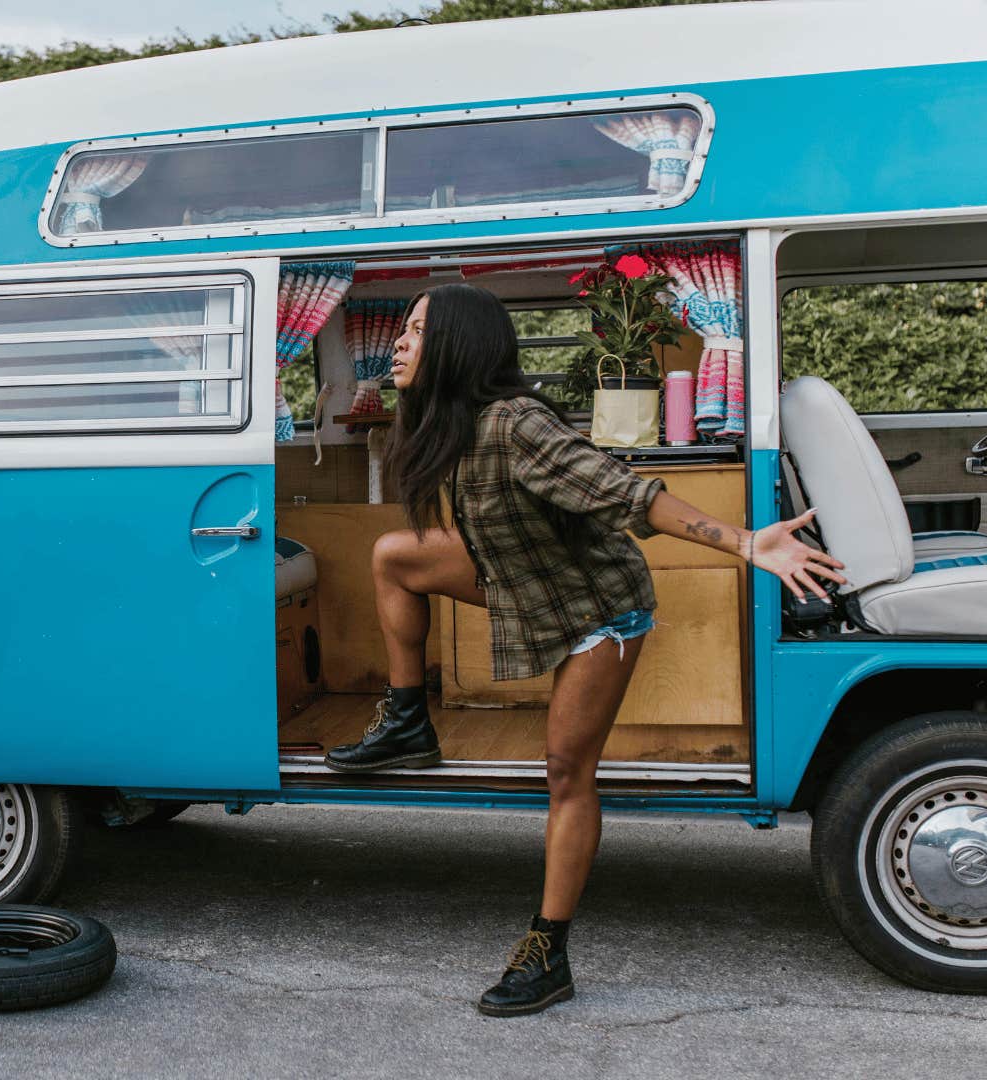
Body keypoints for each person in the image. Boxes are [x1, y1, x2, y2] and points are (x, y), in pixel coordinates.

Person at [323, 284, 844, 1017]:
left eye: (415, 331)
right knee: (394, 555)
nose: (401, 344)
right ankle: (408, 720)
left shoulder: (516, 423)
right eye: (402, 330)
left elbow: (628, 494)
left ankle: (548, 950)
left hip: (599, 609)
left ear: (458, 346)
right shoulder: (449, 422)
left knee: (567, 770)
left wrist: (745, 541)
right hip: (526, 575)